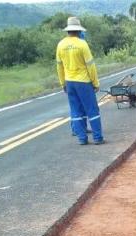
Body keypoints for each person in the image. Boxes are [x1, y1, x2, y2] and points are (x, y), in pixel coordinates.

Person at [56, 17, 104, 145]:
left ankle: (82, 139)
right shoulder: (82, 44)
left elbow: (59, 66)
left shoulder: (60, 45)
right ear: (78, 30)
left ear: (68, 30)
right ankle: (98, 138)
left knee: (76, 111)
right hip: (83, 82)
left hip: (69, 82)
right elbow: (90, 66)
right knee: (92, 110)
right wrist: (95, 83)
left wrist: (63, 83)